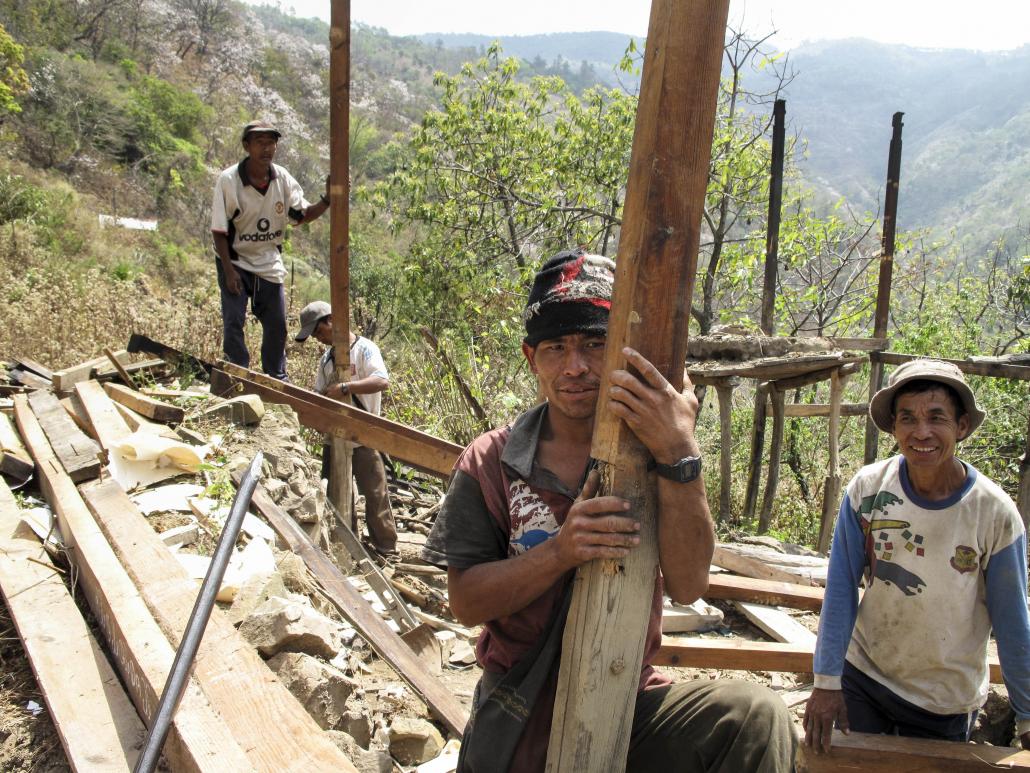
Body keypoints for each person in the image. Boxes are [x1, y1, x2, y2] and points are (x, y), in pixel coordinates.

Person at [422, 249, 796, 773]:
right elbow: (465, 602)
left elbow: (689, 585)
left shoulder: (655, 452)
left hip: (627, 695)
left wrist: (678, 453)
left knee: (754, 716)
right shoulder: (490, 461)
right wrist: (559, 552)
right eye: (557, 347)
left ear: (620, 351)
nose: (575, 366)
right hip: (523, 706)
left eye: (595, 344)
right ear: (533, 359)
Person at [804, 359, 1030, 753]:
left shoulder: (993, 512)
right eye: (907, 418)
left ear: (961, 427)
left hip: (943, 700)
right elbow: (840, 589)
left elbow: (1013, 622)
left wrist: (1027, 716)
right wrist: (826, 682)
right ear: (894, 427)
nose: (921, 432)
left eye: (936, 418)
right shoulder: (868, 491)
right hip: (867, 676)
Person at [210, 120, 329, 380]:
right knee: (233, 321)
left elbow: (301, 214)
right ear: (246, 146)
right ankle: (237, 373)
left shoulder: (282, 179)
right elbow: (219, 231)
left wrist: (327, 200)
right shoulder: (229, 181)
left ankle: (275, 376)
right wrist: (229, 272)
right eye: (260, 143)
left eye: (271, 143)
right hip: (235, 259)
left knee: (276, 324)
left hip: (267, 259)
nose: (266, 149)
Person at [295, 300, 398, 556]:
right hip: (335, 438)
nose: (318, 339)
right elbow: (319, 394)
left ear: (332, 322)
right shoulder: (326, 360)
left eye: (319, 332)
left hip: (364, 434)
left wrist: (345, 388)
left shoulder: (364, 349)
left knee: (375, 494)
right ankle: (346, 543)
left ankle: (386, 549)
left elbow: (381, 381)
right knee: (335, 493)